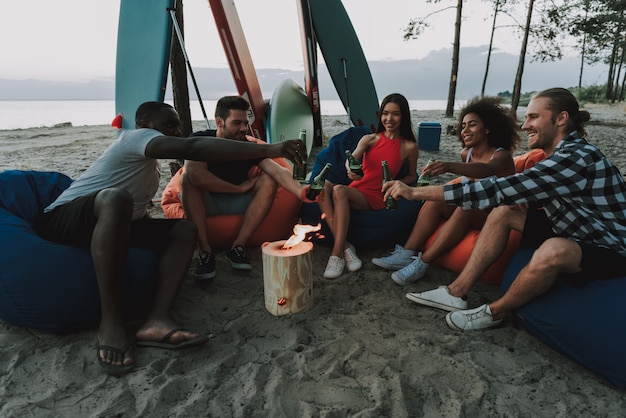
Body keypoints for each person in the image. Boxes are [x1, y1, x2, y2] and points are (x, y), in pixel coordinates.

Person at [37, 101, 306, 375]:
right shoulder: (133, 138)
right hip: (63, 220)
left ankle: (157, 320)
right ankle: (111, 324)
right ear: (144, 126)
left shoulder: (149, 165)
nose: (176, 131)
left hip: (113, 222)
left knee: (183, 229)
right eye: (168, 125)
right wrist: (272, 148)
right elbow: (192, 149)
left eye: (177, 125)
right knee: (117, 197)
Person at [384, 87, 626, 331]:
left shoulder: (576, 157)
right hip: (574, 226)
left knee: (554, 249)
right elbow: (545, 190)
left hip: (609, 245)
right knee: (504, 211)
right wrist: (525, 197)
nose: (524, 125)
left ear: (561, 118)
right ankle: (456, 292)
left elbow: (490, 189)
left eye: (533, 117)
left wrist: (413, 192)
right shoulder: (559, 156)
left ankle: (494, 312)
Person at [372, 96, 520, 285]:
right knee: (436, 201)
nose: (465, 130)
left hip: (495, 219)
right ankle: (407, 253)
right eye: (463, 126)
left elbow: (487, 171)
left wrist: (449, 166)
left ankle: (422, 263)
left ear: (488, 128)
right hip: (473, 212)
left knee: (465, 206)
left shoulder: (502, 156)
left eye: (472, 125)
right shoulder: (466, 154)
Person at [180, 96, 315, 279]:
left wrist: (301, 191)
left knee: (269, 179)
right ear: (220, 122)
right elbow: (196, 175)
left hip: (238, 203)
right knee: (187, 180)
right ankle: (205, 252)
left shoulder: (248, 147)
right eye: (237, 123)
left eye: (245, 123)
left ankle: (238, 247)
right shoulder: (200, 140)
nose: (243, 129)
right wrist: (238, 189)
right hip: (207, 202)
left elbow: (278, 172)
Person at [318, 93, 419, 279]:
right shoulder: (369, 139)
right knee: (322, 185)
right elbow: (352, 159)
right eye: (385, 113)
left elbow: (412, 176)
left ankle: (336, 253)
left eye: (395, 114)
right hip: (356, 189)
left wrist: (396, 183)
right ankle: (347, 247)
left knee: (340, 190)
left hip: (376, 195)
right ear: (380, 115)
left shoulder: (409, 146)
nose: (389, 119)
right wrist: (351, 169)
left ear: (403, 116)